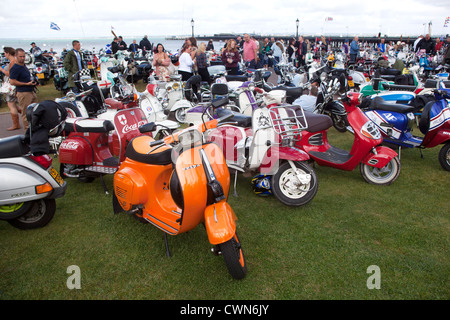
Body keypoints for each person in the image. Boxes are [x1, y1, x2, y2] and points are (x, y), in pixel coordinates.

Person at [8, 48, 38, 131]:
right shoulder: (15, 68)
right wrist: (26, 84)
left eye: (23, 56)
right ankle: (27, 132)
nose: (22, 58)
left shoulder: (24, 66)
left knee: (35, 111)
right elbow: (12, 81)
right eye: (20, 56)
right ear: (16, 56)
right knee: (26, 113)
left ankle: (34, 129)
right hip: (23, 93)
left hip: (30, 91)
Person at [0, 47, 21, 130]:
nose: (4, 55)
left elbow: (10, 74)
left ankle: (16, 124)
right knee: (14, 105)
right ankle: (26, 116)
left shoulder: (13, 62)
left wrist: (2, 70)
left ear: (8, 53)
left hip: (11, 86)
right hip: (15, 85)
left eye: (5, 53)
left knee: (11, 104)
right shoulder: (16, 61)